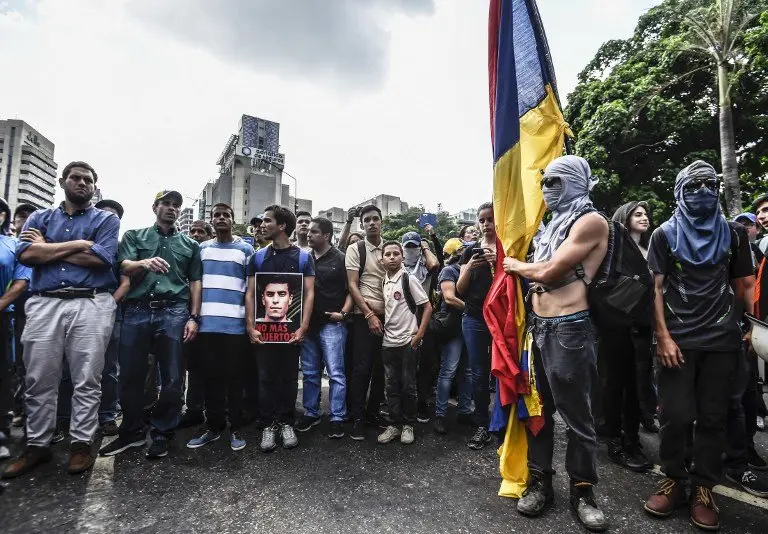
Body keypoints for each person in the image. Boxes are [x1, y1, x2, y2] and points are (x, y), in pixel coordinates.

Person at [642, 161, 753, 531]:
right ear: (679, 191)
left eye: (709, 184)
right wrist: (664, 338)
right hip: (678, 340)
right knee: (675, 415)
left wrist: (745, 327)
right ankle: (673, 478)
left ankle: (704, 486)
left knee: (713, 417)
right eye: (693, 185)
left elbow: (743, 286)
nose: (702, 191)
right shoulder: (664, 234)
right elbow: (655, 289)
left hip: (722, 341)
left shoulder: (735, 235)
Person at [502, 156, 609, 531]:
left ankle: (583, 491)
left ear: (578, 182)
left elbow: (548, 271)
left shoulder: (590, 222)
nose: (548, 188)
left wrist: (515, 265)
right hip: (538, 328)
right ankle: (540, 482)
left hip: (570, 330)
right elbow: (543, 275)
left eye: (557, 181)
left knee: (578, 416)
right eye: (545, 180)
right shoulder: (549, 227)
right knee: (537, 411)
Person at [2, 161, 119, 479]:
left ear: (95, 186)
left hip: (91, 302)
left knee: (87, 379)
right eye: (76, 178)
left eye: (88, 180)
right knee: (39, 379)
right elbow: (25, 255)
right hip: (45, 303)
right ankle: (37, 446)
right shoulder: (40, 217)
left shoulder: (106, 219)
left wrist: (47, 247)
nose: (82, 183)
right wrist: (81, 244)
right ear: (62, 181)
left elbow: (104, 259)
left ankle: (80, 444)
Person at [99, 190, 202, 460]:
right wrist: (143, 262)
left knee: (172, 378)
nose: (171, 209)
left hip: (174, 311)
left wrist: (193, 317)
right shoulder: (135, 236)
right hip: (137, 310)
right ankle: (131, 431)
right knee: (130, 375)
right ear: (154, 207)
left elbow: (195, 282)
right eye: (166, 204)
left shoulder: (190, 245)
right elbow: (124, 265)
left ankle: (162, 433)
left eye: (176, 205)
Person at [55, 200, 129, 439]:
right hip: (74, 305)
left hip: (108, 308)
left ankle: (107, 414)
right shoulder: (73, 240)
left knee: (107, 367)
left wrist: (108, 305)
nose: (108, 219)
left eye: (114, 216)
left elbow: (125, 282)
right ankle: (64, 417)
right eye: (103, 214)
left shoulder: (119, 248)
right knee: (68, 367)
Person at [245, 205, 315, 452]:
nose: (262, 225)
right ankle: (267, 424)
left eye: (267, 221)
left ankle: (286, 422)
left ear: (282, 226)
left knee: (288, 378)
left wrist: (303, 326)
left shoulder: (304, 258)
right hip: (263, 332)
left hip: (291, 332)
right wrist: (250, 326)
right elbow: (251, 294)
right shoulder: (257, 257)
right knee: (265, 378)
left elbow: (308, 294)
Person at [186, 203, 254, 452]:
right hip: (207, 325)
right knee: (211, 379)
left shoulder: (246, 249)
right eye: (217, 215)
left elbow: (251, 289)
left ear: (233, 220)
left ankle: (235, 427)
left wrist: (249, 323)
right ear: (211, 220)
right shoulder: (201, 249)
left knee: (235, 380)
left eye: (226, 215)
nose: (221, 218)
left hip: (235, 327)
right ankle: (213, 427)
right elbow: (195, 284)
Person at [595, 201, 655, 473]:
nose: (644, 218)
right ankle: (616, 440)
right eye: (637, 214)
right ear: (624, 217)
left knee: (636, 384)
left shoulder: (652, 249)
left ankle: (632, 437)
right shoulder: (611, 247)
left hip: (643, 327)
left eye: (646, 214)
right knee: (613, 383)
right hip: (615, 326)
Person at [296, 217, 351, 439]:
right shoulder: (304, 258)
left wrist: (344, 313)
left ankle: (337, 416)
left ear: (326, 236)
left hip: (332, 324)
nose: (308, 235)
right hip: (308, 325)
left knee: (336, 373)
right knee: (310, 372)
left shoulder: (341, 259)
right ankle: (312, 412)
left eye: (314, 232)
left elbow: (351, 290)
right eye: (308, 231)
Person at [377, 242, 432, 445]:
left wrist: (419, 334)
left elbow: (427, 307)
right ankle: (394, 424)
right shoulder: (384, 281)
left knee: (408, 385)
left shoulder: (409, 279)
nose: (392, 257)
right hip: (388, 342)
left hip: (407, 341)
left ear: (402, 257)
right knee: (391, 385)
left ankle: (408, 424)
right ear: (382, 259)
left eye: (396, 254)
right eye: (388, 254)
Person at [457, 202, 497, 451]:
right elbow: (460, 290)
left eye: (490, 219)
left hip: (504, 317)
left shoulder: (509, 247)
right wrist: (471, 266)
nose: (485, 224)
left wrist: (499, 262)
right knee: (479, 373)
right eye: (481, 220)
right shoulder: (469, 251)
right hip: (474, 317)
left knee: (506, 371)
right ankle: (483, 424)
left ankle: (507, 421)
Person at [345, 205, 387, 440]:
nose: (371, 223)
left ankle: (373, 413)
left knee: (381, 369)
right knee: (361, 369)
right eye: (367, 220)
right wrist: (369, 315)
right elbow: (352, 284)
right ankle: (357, 417)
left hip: (388, 316)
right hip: (363, 317)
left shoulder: (390, 249)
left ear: (382, 222)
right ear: (362, 224)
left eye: (375, 219)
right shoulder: (355, 248)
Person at [0, 198, 32, 461]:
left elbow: (20, 283)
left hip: (9, 315)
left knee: (9, 370)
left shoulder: (12, 246)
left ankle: (3, 425)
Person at [433, 238, 474, 435]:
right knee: (448, 370)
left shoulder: (472, 270)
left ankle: (464, 410)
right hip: (454, 326)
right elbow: (449, 297)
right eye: (463, 249)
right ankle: (440, 414)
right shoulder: (449, 270)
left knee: (467, 371)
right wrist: (473, 310)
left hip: (469, 326)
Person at [178, 220, 214, 429]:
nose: (196, 234)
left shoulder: (211, 255)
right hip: (183, 315)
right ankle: (189, 409)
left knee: (204, 366)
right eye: (193, 231)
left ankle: (204, 409)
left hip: (208, 317)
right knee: (186, 365)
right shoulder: (186, 255)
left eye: (202, 231)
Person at [402, 230, 440, 423]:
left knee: (424, 364)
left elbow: (435, 264)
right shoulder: (397, 266)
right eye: (407, 247)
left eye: (414, 247)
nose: (411, 251)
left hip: (423, 316)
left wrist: (425, 245)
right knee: (405, 363)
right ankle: (406, 402)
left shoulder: (426, 266)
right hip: (402, 319)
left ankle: (422, 402)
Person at [10, 203, 36, 428]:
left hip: (27, 312)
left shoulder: (37, 247)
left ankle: (23, 410)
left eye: (30, 216)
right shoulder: (9, 245)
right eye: (21, 216)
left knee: (27, 364)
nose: (25, 219)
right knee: (16, 364)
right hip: (13, 313)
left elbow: (22, 283)